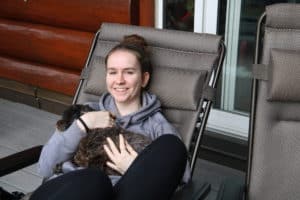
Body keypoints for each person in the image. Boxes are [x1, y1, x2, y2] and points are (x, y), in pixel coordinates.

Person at [31, 34, 190, 200]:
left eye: (129, 72)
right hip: (65, 191)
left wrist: (135, 169)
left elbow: (180, 180)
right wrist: (83, 125)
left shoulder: (159, 128)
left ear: (144, 79)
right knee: (92, 179)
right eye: (112, 72)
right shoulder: (84, 112)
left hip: (118, 194)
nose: (119, 80)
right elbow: (45, 168)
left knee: (98, 180)